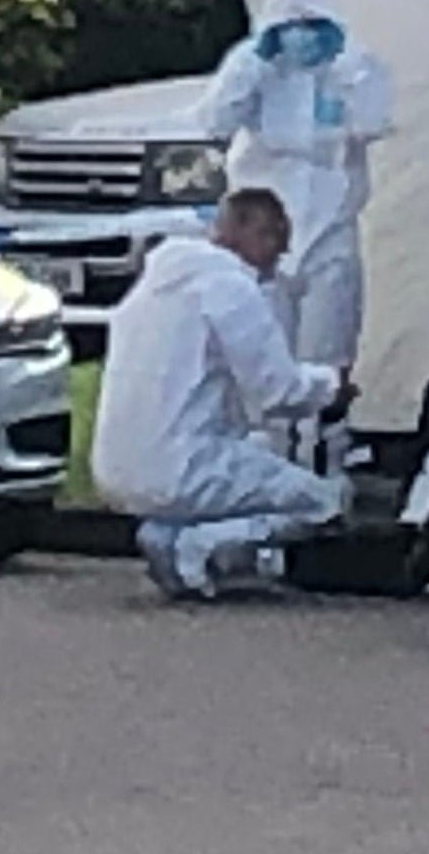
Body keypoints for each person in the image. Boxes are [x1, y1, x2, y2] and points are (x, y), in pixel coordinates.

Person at [88, 186, 350, 600]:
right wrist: (331, 384)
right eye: (275, 245)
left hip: (115, 466)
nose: (275, 262)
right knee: (324, 502)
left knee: (253, 451)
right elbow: (276, 390)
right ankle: (194, 547)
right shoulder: (230, 287)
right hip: (180, 464)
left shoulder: (154, 283)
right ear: (253, 232)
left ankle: (163, 533)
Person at [194, 0, 393, 367]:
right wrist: (255, 64)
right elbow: (214, 122)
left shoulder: (354, 66)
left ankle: (322, 429)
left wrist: (346, 70)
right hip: (261, 226)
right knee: (264, 348)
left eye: (313, 24)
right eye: (292, 23)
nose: (302, 35)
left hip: (330, 224)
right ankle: (269, 430)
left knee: (329, 343)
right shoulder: (254, 66)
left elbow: (373, 123)